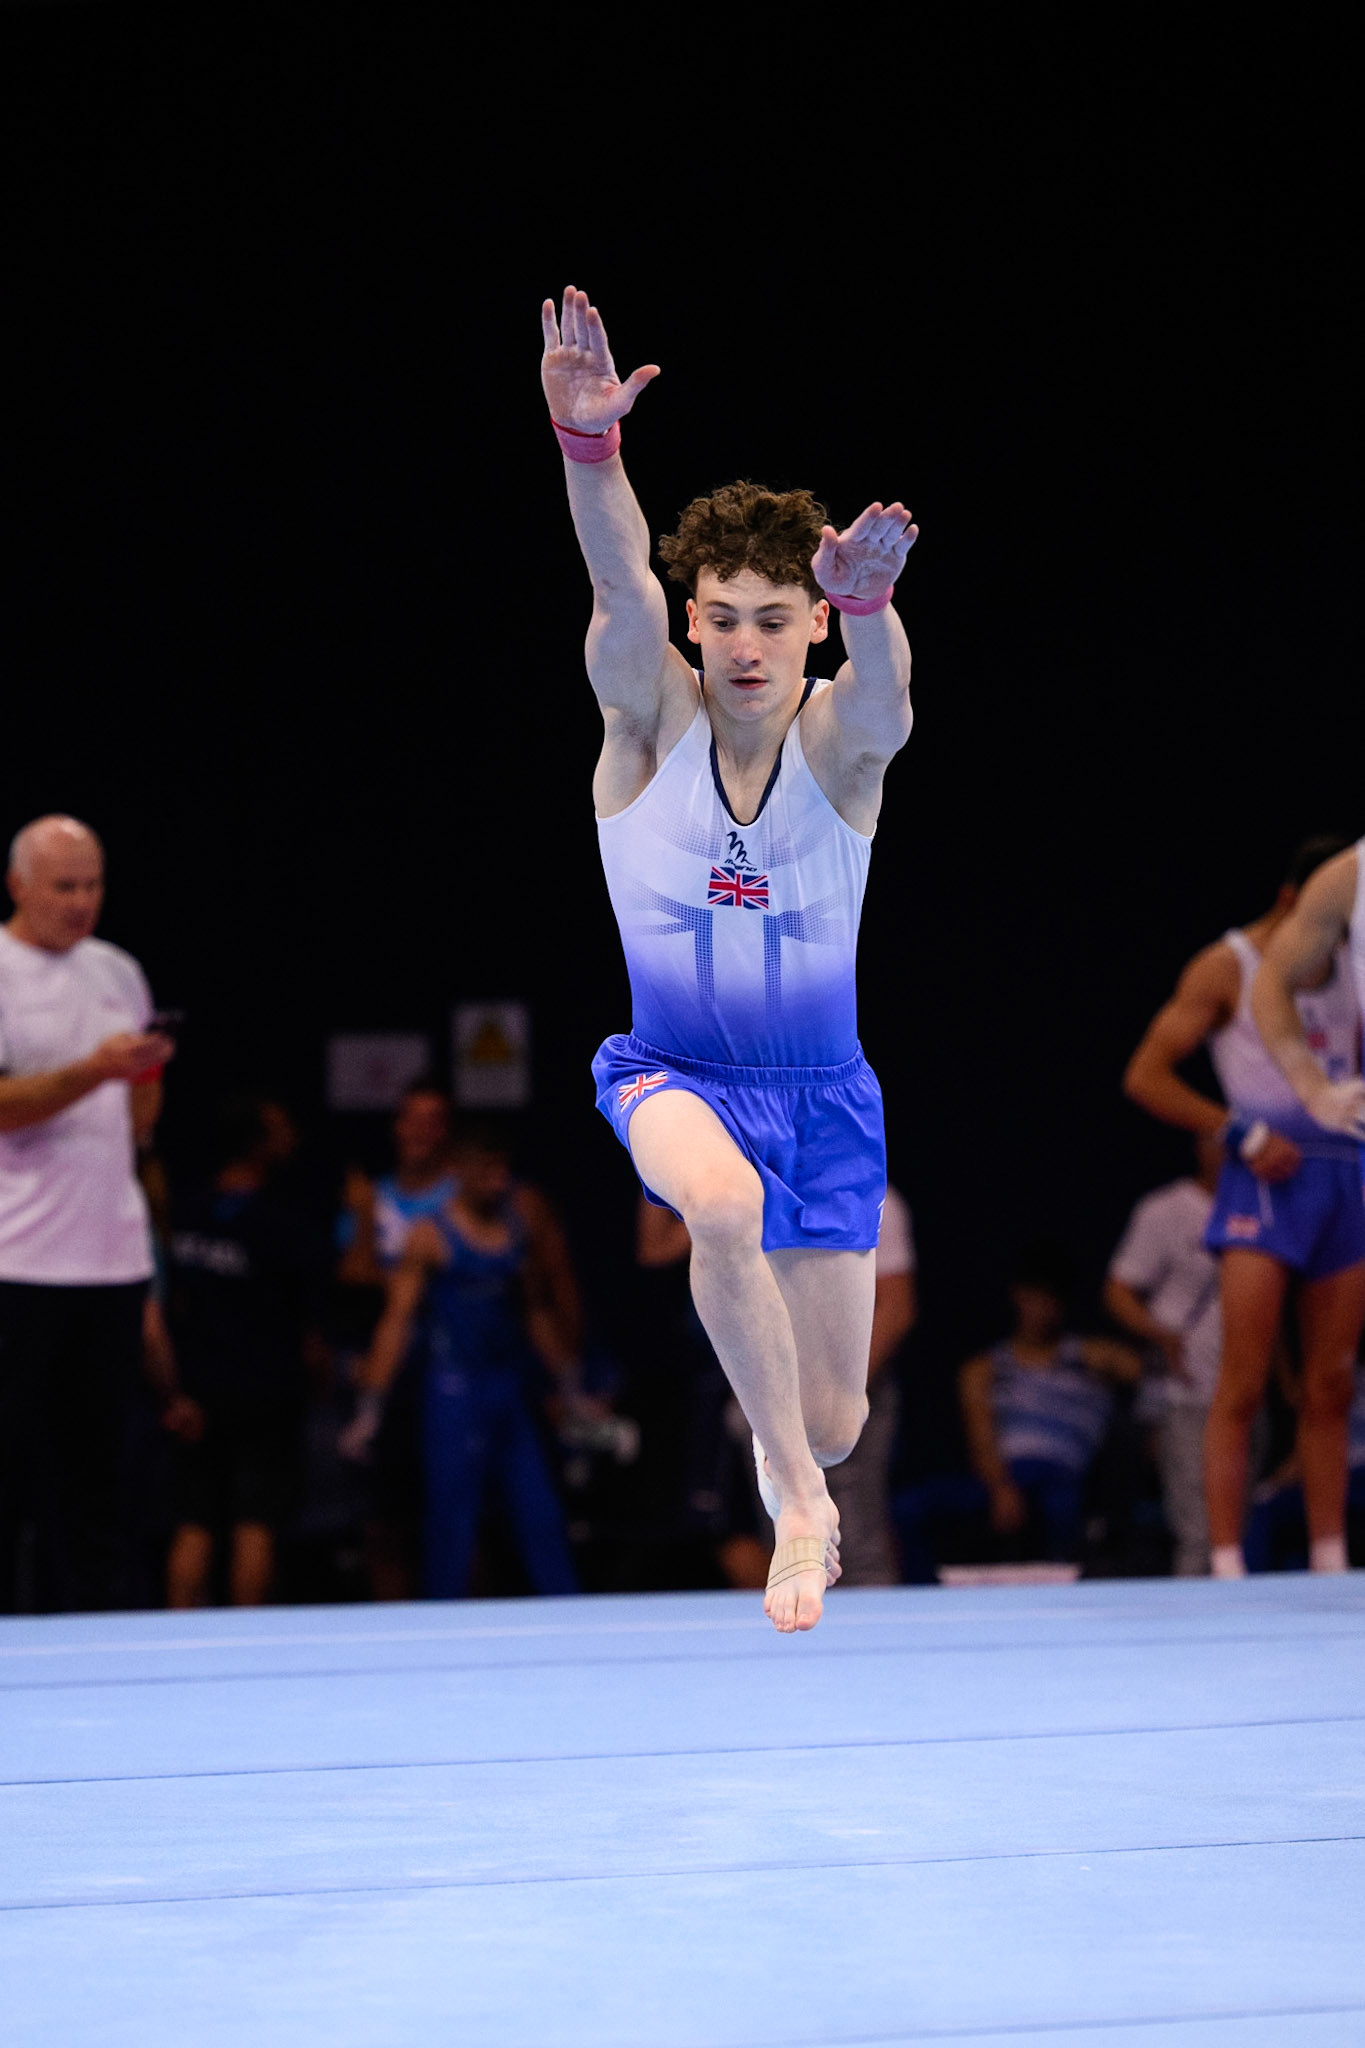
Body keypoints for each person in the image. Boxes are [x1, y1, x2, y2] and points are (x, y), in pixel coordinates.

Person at [542, 286, 916, 1631]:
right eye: (723, 616)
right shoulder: (646, 724)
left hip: (823, 1097)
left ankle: (797, 1460)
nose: (746, 643)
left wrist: (870, 607)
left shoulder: (840, 749)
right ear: (692, 623)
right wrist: (590, 450)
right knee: (714, 1202)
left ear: (809, 624)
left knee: (834, 1415)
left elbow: (887, 697)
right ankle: (802, 1508)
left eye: (775, 616)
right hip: (671, 1070)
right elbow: (615, 580)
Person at [1123, 835, 1365, 1577]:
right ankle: (1225, 1563)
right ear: (1293, 899)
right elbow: (1146, 1075)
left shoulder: (1353, 960)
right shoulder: (1227, 967)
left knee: (1331, 1383)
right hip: (1264, 1181)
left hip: (1344, 1179)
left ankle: (1330, 1560)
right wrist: (1239, 1131)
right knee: (1243, 1381)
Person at [0, 815, 175, 1612]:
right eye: (64, 887)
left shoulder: (118, 972)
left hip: (109, 1259)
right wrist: (93, 1071)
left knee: (99, 1480)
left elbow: (137, 1124)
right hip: (18, 1260)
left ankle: (97, 1641)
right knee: (12, 1472)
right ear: (18, 886)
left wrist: (143, 1076)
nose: (81, 902)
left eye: (93, 885)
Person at [344, 1124, 579, 1599]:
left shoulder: (517, 1229)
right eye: (487, 1173)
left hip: (509, 1391)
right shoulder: (429, 1237)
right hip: (453, 1394)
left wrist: (572, 1388)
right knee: (452, 1521)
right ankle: (443, 1619)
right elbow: (397, 1321)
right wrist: (370, 1408)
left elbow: (536, 1313)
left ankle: (570, 1613)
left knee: (541, 1514)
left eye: (503, 1172)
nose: (499, 1183)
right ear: (460, 1173)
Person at [165, 1095, 325, 1607]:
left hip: (199, 1392)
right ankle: (246, 1640)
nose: (291, 1137)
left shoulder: (187, 1214)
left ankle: (179, 1642)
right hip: (262, 1393)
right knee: (253, 1524)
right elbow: (312, 1326)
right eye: (280, 1129)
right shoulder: (281, 1223)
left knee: (195, 1523)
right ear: (257, 1143)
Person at [895, 1248, 1139, 1577]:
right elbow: (981, 1438)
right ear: (1017, 1298)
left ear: (1062, 1304)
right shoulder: (986, 1369)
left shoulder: (1094, 1360)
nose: (1039, 1309)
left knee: (1062, 1506)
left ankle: (1063, 1590)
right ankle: (924, 1593)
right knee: (910, 1508)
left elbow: (1141, 1372)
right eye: (1031, 1298)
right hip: (1006, 1474)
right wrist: (1001, 1487)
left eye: (1048, 1300)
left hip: (1067, 1477)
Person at [1104, 1134, 1224, 1575]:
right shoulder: (1166, 1210)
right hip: (1186, 1391)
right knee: (1200, 1533)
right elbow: (1118, 1291)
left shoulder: (1267, 1207)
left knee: (1236, 1531)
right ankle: (1196, 1616)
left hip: (1246, 1395)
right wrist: (1165, 1337)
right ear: (1200, 1146)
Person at [822, 1183, 917, 1585]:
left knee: (858, 1548)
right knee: (792, 1547)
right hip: (775, 1396)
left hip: (852, 1391)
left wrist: (839, 1396)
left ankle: (872, 1625)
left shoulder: (874, 1197)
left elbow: (896, 1307)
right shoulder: (761, 1187)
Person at [336, 1082, 458, 1285]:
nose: (420, 1131)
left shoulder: (462, 1196)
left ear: (447, 1131)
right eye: (413, 1120)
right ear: (397, 1126)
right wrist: (366, 1215)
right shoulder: (367, 1196)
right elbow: (351, 1277)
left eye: (432, 1122)